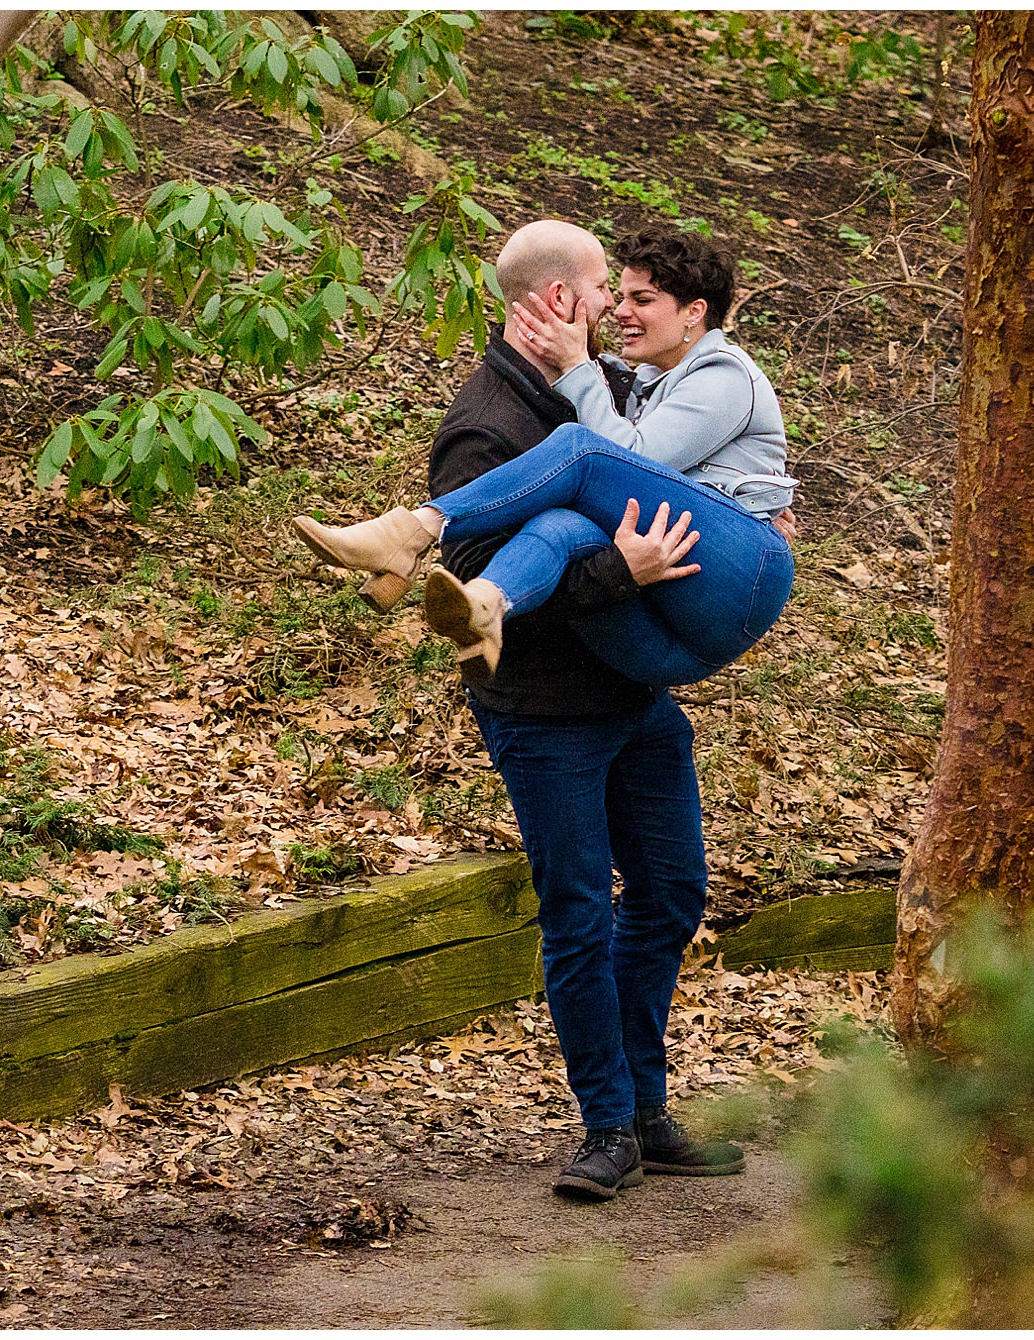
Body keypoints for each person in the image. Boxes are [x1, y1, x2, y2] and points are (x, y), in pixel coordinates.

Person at [322, 220, 772, 1201]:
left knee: (667, 895)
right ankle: (606, 1125)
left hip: (632, 695)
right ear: (552, 300)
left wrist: (747, 509)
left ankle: (647, 1110)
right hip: (544, 711)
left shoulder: (602, 385)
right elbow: (475, 594)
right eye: (601, 285)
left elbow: (659, 479)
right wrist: (619, 568)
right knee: (576, 912)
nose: (614, 302)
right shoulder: (481, 424)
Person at [292, 223, 796, 691]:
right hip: (661, 641)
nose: (618, 310)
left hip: (739, 579)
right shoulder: (635, 381)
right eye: (615, 294)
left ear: (695, 311)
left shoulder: (724, 376)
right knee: (557, 524)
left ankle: (414, 532)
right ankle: (489, 606)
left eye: (640, 299)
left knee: (580, 450)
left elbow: (632, 457)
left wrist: (576, 364)